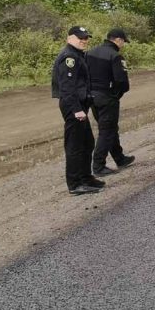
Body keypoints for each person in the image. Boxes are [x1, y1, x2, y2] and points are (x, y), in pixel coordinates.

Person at [51, 26, 102, 195]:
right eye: (80, 37)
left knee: (87, 143)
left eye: (86, 38)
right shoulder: (69, 57)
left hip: (79, 106)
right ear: (69, 38)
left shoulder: (77, 55)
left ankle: (86, 178)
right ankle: (75, 184)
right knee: (75, 145)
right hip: (73, 106)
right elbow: (67, 88)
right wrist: (76, 110)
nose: (84, 40)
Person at [87, 28, 137, 176]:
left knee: (109, 128)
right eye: (123, 42)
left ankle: (120, 158)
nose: (123, 45)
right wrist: (116, 95)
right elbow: (121, 81)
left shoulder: (89, 53)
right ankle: (98, 166)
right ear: (118, 40)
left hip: (92, 97)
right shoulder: (115, 56)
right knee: (107, 131)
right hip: (107, 97)